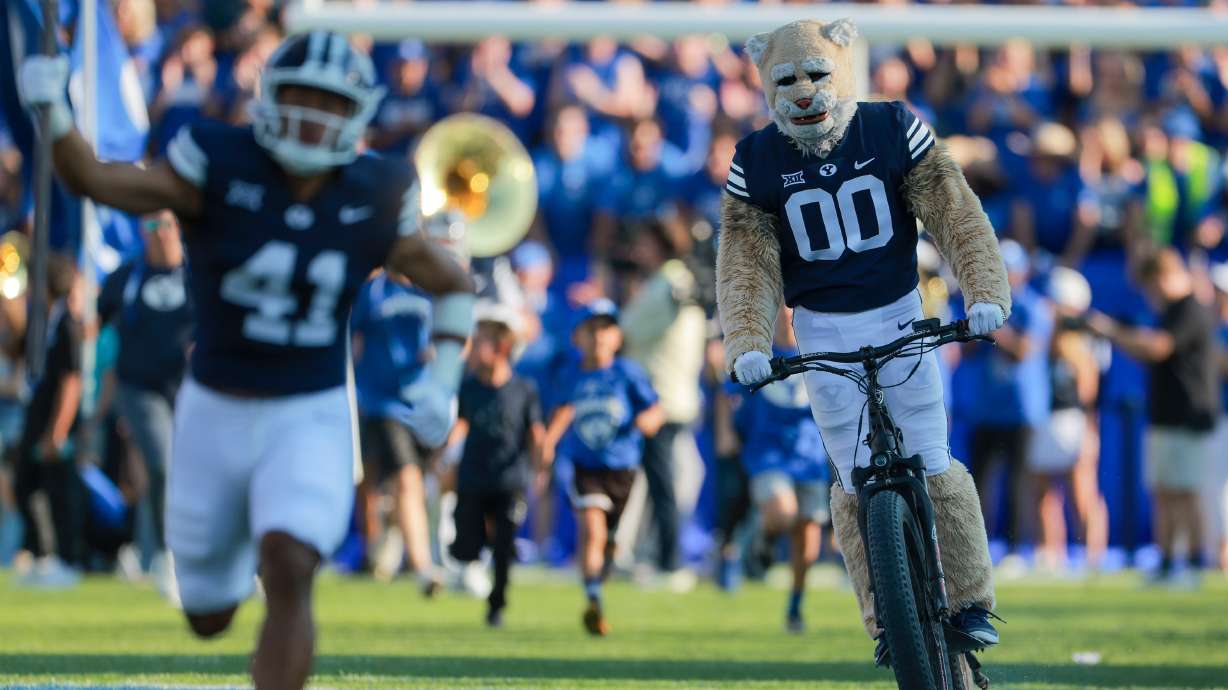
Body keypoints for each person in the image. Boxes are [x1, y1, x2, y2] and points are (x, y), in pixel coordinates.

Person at [20, 31, 475, 690]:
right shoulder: (217, 160)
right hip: (214, 408)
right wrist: (52, 110)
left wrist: (445, 378)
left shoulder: (377, 188)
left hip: (310, 409)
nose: (312, 116)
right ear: (268, 98)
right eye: (299, 98)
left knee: (290, 566)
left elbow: (453, 282)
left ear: (356, 114)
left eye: (329, 103)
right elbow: (95, 178)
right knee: (208, 614)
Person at [715, 20, 1011, 665]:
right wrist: (746, 338)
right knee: (851, 480)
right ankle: (886, 620)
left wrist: (983, 290)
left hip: (901, 315)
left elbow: (952, 210)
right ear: (765, 83)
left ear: (840, 71)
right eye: (786, 79)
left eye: (816, 74)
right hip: (819, 326)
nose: (803, 91)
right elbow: (746, 260)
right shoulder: (755, 158)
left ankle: (971, 600)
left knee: (933, 461)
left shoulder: (889, 125)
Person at [1084, 249, 1220, 587]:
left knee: (1186, 491)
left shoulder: (1189, 308)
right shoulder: (1173, 310)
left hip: (1187, 414)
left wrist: (1112, 331)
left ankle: (1191, 565)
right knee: (1166, 491)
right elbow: (1150, 350)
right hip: (1167, 415)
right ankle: (1168, 562)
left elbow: (1157, 347)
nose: (1150, 295)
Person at [541, 299, 664, 637]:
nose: (598, 336)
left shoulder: (627, 373)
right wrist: (549, 442)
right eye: (590, 329)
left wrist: (647, 421)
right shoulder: (571, 373)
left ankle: (604, 568)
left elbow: (655, 408)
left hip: (624, 470)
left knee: (612, 544)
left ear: (617, 336)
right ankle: (593, 599)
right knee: (591, 530)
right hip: (586, 467)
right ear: (577, 337)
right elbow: (564, 409)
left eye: (605, 329)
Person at [96, 209, 193, 594]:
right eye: (152, 225)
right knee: (161, 463)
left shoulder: (198, 275)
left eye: (167, 224)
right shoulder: (127, 277)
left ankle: (150, 551)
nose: (161, 233)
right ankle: (168, 557)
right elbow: (98, 322)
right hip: (139, 388)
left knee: (185, 475)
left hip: (190, 391)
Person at [732, 306, 829, 633]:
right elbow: (731, 391)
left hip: (809, 455)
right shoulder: (758, 358)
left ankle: (795, 605)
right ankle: (762, 539)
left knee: (808, 540)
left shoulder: (817, 354)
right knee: (781, 513)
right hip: (769, 453)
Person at [618, 222, 706, 586]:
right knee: (671, 481)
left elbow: (625, 331)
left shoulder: (665, 285)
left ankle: (667, 563)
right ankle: (649, 557)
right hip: (673, 398)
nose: (638, 250)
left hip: (660, 401)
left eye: (644, 242)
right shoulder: (674, 282)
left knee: (664, 485)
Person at [447, 302, 543, 628]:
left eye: (482, 340)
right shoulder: (470, 386)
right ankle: (475, 545)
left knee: (504, 545)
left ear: (502, 347)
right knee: (465, 549)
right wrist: (442, 454)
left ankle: (496, 604)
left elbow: (534, 432)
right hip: (473, 475)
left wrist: (541, 460)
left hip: (509, 478)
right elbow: (461, 423)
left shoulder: (523, 390)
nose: (474, 347)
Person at [350, 271, 442, 593]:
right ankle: (421, 566)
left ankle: (387, 546)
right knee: (404, 478)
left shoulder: (431, 284)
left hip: (424, 402)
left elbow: (458, 333)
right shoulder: (373, 289)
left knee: (415, 482)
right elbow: (353, 339)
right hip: (381, 402)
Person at [961, 240, 1053, 561]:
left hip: (1020, 409)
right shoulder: (981, 304)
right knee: (980, 484)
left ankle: (1014, 548)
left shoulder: (1033, 306)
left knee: (1017, 483)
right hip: (986, 407)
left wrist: (993, 324)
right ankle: (979, 550)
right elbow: (966, 351)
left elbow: (1024, 351)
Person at [13, 254, 85, 586]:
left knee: (57, 491)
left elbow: (71, 381)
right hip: (37, 417)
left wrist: (57, 432)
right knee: (26, 484)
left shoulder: (68, 325)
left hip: (52, 424)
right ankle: (41, 554)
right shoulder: (48, 322)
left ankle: (64, 559)